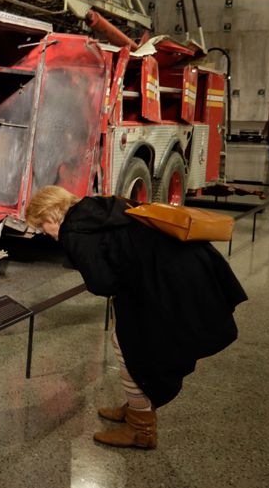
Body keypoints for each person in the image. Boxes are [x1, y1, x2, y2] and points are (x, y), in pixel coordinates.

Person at [25, 186, 247, 449]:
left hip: (170, 281)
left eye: (41, 226)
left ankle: (141, 428)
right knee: (132, 343)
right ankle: (136, 406)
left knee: (133, 349)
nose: (45, 233)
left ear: (50, 216)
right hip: (191, 266)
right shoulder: (97, 206)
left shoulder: (73, 231)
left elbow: (102, 283)